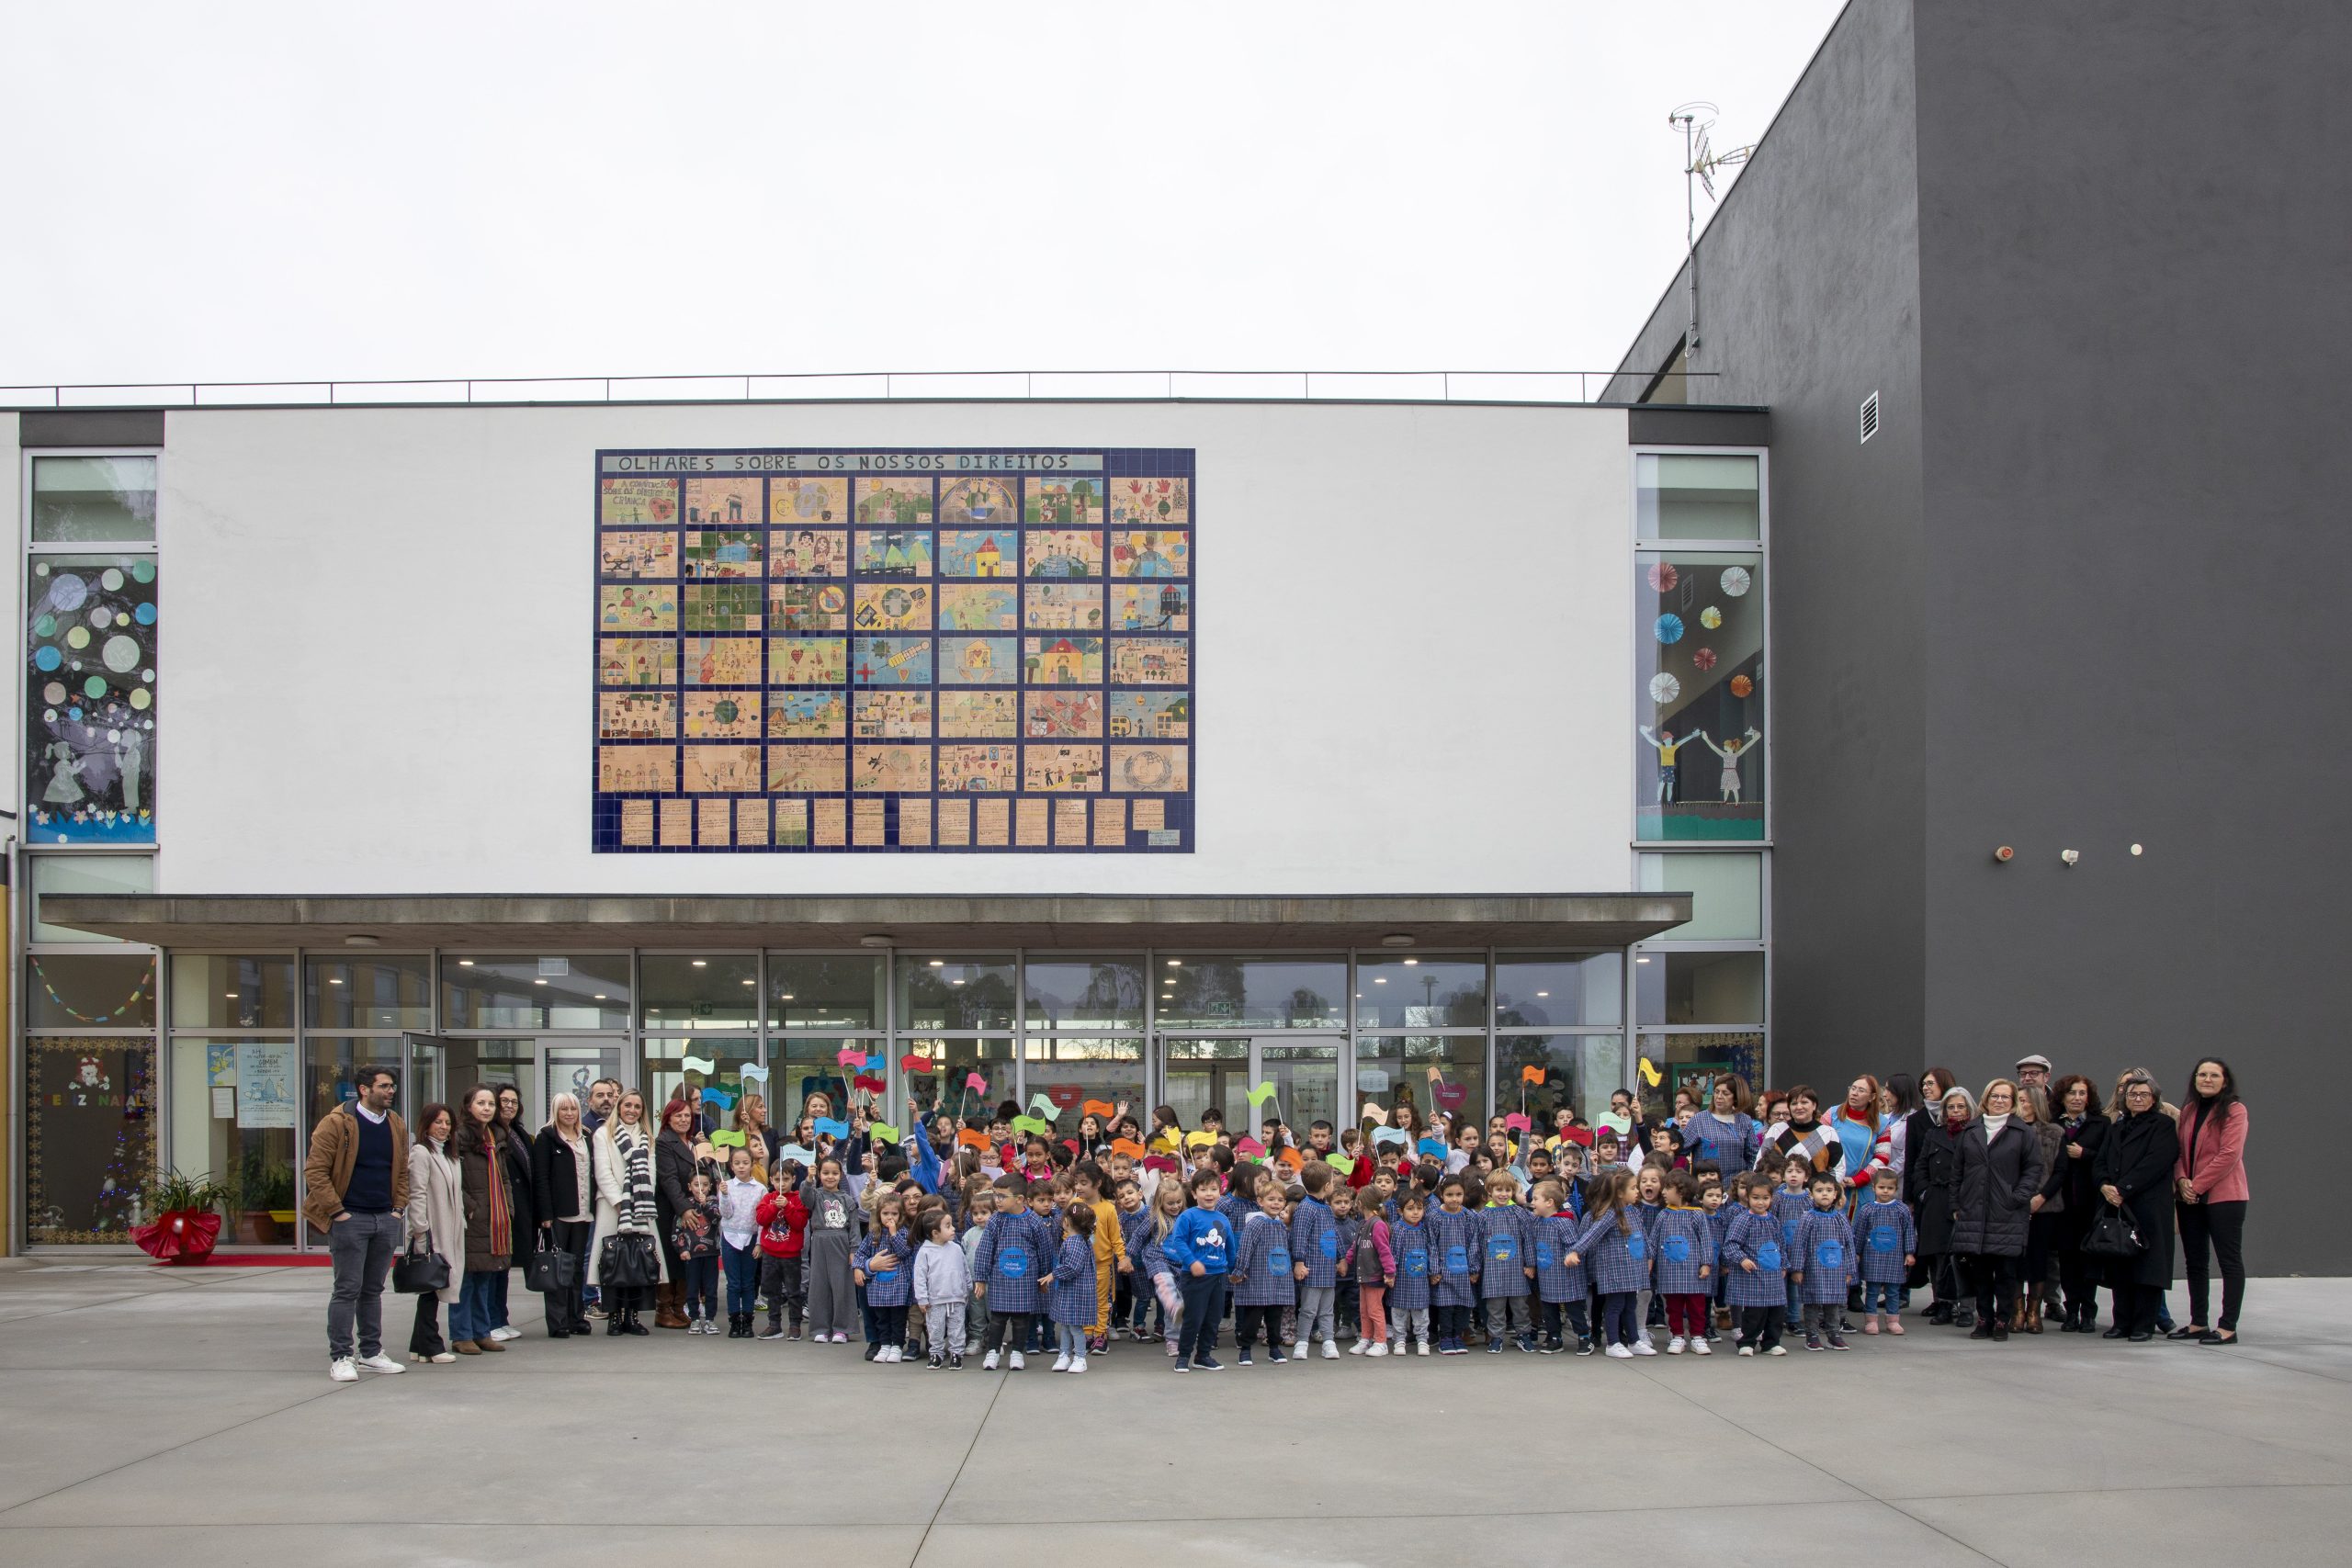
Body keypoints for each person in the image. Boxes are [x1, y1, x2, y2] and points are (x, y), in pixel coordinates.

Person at [303, 1064, 412, 1383]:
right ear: (364, 1089)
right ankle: (341, 1356)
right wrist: (338, 1212)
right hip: (350, 1218)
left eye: (392, 1086)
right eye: (385, 1086)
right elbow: (316, 1172)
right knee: (347, 1289)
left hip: (385, 1218)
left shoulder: (396, 1123)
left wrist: (398, 1209)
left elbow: (402, 1170)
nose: (391, 1091)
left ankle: (370, 1352)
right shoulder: (336, 1123)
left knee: (373, 1290)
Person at [1950, 1077, 2043, 1343]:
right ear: (1986, 1099)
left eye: (2005, 1097)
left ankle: (2003, 1319)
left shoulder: (2023, 1132)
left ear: (2013, 1103)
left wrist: (2018, 1197)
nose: (1999, 1101)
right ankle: (1984, 1319)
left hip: (2008, 1213)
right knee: (1979, 1272)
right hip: (1974, 1212)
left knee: (2005, 1273)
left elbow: (2033, 1169)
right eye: (1995, 1096)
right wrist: (1956, 1204)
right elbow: (1957, 1171)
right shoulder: (1972, 1130)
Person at [2096, 1070, 2180, 1341]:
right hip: (2118, 1206)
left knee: (2149, 1266)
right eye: (2133, 1094)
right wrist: (2105, 1185)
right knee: (2121, 1265)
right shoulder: (2116, 1127)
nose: (2138, 1099)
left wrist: (2123, 1188)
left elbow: (2155, 1163)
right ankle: (2121, 1322)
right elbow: (2100, 1161)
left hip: (2149, 1207)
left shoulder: (2163, 1126)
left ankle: (2144, 1324)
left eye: (2144, 1094)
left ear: (2154, 1098)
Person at [2173, 1057, 2249, 1345]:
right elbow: (2178, 1151)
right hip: (2189, 1196)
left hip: (2224, 1196)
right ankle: (2198, 1322)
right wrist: (2182, 1182)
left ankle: (2228, 1326)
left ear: (2225, 1080)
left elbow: (2229, 1154)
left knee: (2229, 1262)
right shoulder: (2190, 1110)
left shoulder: (2234, 1110)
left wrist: (2198, 1185)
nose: (2207, 1079)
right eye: (2202, 1074)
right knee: (2195, 1261)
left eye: (2213, 1075)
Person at [588, 1088, 662, 1336]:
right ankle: (614, 1316)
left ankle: (632, 1316)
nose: (632, 1110)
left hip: (641, 1206)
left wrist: (640, 1199)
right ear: (619, 1107)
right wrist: (620, 1202)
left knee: (638, 1261)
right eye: (627, 1105)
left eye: (637, 1107)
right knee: (613, 1262)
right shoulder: (603, 1134)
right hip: (612, 1206)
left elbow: (651, 1173)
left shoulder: (647, 1137)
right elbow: (602, 1172)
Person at [450, 1086, 514, 1356]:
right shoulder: (459, 1137)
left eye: (490, 1104)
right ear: (468, 1106)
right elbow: (454, 1178)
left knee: (485, 1277)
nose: (487, 1108)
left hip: (495, 1217)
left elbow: (505, 1178)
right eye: (481, 1103)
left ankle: (482, 1331)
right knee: (466, 1279)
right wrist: (470, 1206)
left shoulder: (496, 1136)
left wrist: (508, 1207)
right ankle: (461, 1335)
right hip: (471, 1217)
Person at [529, 1091, 596, 1339]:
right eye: (563, 1109)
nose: (569, 1113)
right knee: (558, 1267)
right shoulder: (546, 1137)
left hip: (583, 1211)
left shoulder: (586, 1137)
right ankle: (558, 1322)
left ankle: (576, 1317)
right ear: (555, 1112)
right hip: (558, 1214)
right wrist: (545, 1213)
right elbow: (541, 1178)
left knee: (577, 1267)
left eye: (573, 1109)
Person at [1565, 1168, 1651, 1359]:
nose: (1637, 1191)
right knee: (1615, 1305)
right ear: (1620, 1193)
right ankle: (1613, 1342)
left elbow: (1643, 1237)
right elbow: (1592, 1235)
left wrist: (1649, 1256)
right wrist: (1576, 1251)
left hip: (1632, 1268)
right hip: (1614, 1270)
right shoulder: (1611, 1214)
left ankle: (1634, 1340)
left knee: (1630, 1304)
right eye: (1633, 1188)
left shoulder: (1634, 1212)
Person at [1906, 1086, 1973, 1325]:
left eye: (1960, 1106)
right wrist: (1924, 1192)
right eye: (1951, 1107)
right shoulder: (1934, 1134)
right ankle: (1943, 1303)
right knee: (1938, 1256)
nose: (1955, 1111)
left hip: (1966, 1200)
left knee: (1965, 1255)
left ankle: (1966, 1307)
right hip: (1936, 1198)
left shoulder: (1976, 1132)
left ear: (1969, 1109)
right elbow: (1920, 1166)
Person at [2048, 1074, 2109, 1332]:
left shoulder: (2101, 1123)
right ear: (2062, 1097)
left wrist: (2085, 1154)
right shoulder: (2053, 1124)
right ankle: (2071, 1310)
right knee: (2067, 1259)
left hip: (2090, 1203)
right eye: (2072, 1093)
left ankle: (2089, 1313)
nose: (2077, 1098)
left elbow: (2108, 1157)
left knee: (2088, 1260)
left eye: (2082, 1093)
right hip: (2062, 1205)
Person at [403, 1102, 462, 1364]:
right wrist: (420, 1230)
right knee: (431, 1286)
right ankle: (431, 1345)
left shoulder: (449, 1154)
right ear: (426, 1124)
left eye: (447, 1122)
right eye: (438, 1122)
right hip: (430, 1229)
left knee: (433, 1287)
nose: (443, 1127)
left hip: (451, 1228)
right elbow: (416, 1193)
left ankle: (419, 1345)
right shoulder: (421, 1152)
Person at [1162, 1167, 1236, 1372]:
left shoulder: (1223, 1219)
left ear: (1220, 1192)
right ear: (1194, 1194)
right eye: (1203, 1190)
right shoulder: (1188, 1216)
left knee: (1213, 1319)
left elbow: (1230, 1248)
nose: (1209, 1194)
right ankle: (1183, 1357)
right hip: (1195, 1277)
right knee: (1194, 1318)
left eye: (1213, 1189)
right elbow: (1179, 1242)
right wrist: (1192, 1261)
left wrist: (1234, 1270)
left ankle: (1203, 1356)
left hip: (1219, 1276)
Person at [2014, 1083, 2067, 1333]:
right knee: (2013, 1259)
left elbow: (2060, 1171)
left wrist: (2041, 1197)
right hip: (2013, 1206)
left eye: (2025, 1100)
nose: (2022, 1105)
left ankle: (2034, 1311)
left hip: (2045, 1206)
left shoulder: (2054, 1132)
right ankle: (2017, 1310)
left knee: (2039, 1259)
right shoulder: (2008, 1130)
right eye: (2019, 1100)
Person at [486, 1084, 535, 1344]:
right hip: (498, 1209)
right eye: (503, 1101)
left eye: (513, 1102)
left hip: (519, 1209)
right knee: (493, 1267)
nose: (509, 1106)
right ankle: (491, 1321)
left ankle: (501, 1318)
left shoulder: (519, 1133)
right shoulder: (490, 1134)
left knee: (504, 1267)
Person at [1723, 1178, 1790, 1356]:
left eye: (1765, 1198)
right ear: (1748, 1198)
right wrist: (1741, 1259)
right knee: (1755, 1312)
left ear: (1771, 1198)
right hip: (1753, 1276)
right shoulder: (1743, 1219)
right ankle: (1747, 1342)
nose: (1761, 1202)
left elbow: (1781, 1244)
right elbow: (1730, 1244)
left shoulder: (1773, 1220)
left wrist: (1784, 1264)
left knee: (1776, 1311)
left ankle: (1771, 1343)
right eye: (1756, 1198)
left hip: (1773, 1275)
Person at [801, 1156, 861, 1345]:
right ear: (819, 1174)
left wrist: (854, 1250)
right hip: (819, 1240)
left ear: (840, 1175)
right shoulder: (816, 1195)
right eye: (825, 1173)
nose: (830, 1177)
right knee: (819, 1285)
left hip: (841, 1242)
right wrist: (808, 1180)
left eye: (834, 1173)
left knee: (842, 1285)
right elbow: (805, 1197)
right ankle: (820, 1328)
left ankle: (842, 1329)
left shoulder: (847, 1199)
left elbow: (854, 1226)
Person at [652, 1097, 701, 1329]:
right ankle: (664, 1310)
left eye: (687, 1116)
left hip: (693, 1208)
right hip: (671, 1211)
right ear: (668, 1118)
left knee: (686, 1258)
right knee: (671, 1259)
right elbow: (669, 1179)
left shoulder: (693, 1143)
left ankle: (679, 1308)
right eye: (678, 1115)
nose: (683, 1119)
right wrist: (684, 1209)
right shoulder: (664, 1142)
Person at [1793, 1169, 1856, 1350]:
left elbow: (1849, 1245)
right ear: (1811, 1194)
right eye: (1819, 1190)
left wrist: (1850, 1271)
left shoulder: (1841, 1218)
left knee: (1833, 1303)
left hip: (1836, 1269)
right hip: (1813, 1269)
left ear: (1835, 1193)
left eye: (1828, 1190)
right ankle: (1812, 1335)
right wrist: (1798, 1269)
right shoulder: (1808, 1218)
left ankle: (1833, 1334)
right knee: (1812, 1302)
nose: (1824, 1194)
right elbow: (1799, 1244)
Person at [1853, 1167, 1917, 1335]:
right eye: (1882, 1187)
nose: (1885, 1191)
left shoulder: (1901, 1209)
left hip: (1894, 1257)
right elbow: (1859, 1232)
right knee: (1872, 1290)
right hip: (1872, 1257)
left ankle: (1893, 1320)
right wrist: (1857, 1252)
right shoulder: (1867, 1209)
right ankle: (1871, 1320)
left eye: (1890, 1188)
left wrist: (1909, 1252)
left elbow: (1908, 1231)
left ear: (1896, 1189)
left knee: (1893, 1291)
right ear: (1874, 1188)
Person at [717, 1144, 765, 1337]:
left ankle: (748, 1321)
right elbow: (725, 1213)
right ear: (731, 1165)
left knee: (748, 1282)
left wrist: (760, 1242)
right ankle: (734, 1321)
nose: (741, 1167)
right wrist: (725, 1195)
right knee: (733, 1283)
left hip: (751, 1238)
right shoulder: (726, 1186)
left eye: (745, 1162)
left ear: (752, 1164)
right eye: (737, 1163)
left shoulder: (760, 1189)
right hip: (730, 1237)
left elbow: (762, 1219)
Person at [1046, 1203, 1100, 1373]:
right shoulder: (1080, 1240)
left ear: (1067, 1221)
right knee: (1067, 1325)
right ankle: (1064, 1354)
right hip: (1073, 1291)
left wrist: (1053, 1274)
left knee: (1074, 1327)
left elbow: (1072, 1267)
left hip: (1076, 1292)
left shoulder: (1074, 1242)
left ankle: (1080, 1357)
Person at [914, 1208, 970, 1369]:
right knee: (935, 1329)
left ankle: (956, 1354)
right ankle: (936, 1354)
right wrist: (922, 1298)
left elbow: (964, 1268)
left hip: (957, 1297)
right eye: (948, 1225)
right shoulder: (925, 1252)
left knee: (957, 1328)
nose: (953, 1228)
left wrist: (967, 1287)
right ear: (935, 1233)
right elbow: (919, 1277)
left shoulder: (956, 1248)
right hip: (935, 1299)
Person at [1682, 1075, 1761, 1176]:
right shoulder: (1698, 1120)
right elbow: (1680, 1151)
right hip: (1707, 1185)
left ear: (1736, 1097)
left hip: (1736, 1185)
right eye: (1716, 1092)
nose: (1719, 1097)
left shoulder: (1744, 1120)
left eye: (1725, 1093)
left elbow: (1753, 1154)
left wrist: (1747, 1178)